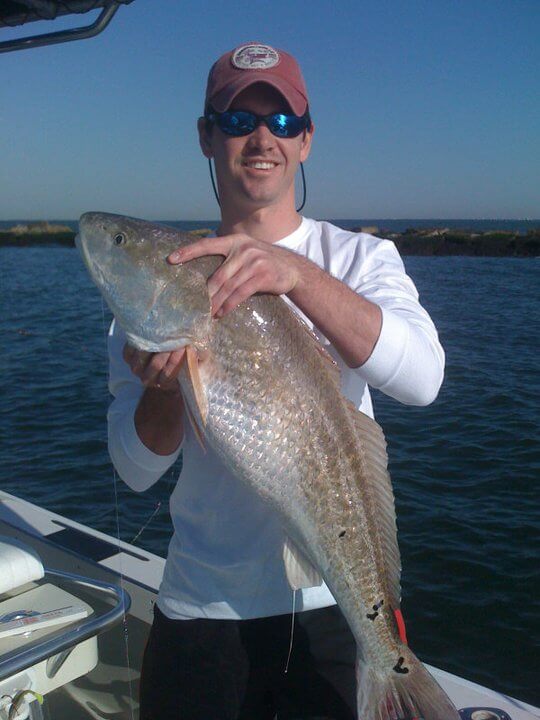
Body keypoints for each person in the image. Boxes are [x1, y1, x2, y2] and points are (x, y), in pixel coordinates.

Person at [107, 42, 445, 720]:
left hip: (328, 612)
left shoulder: (360, 258)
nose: (261, 138)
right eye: (237, 120)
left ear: (306, 140)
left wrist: (299, 277)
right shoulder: (163, 287)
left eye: (282, 121)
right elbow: (134, 470)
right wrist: (165, 389)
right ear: (206, 136)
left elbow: (424, 380)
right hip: (200, 611)